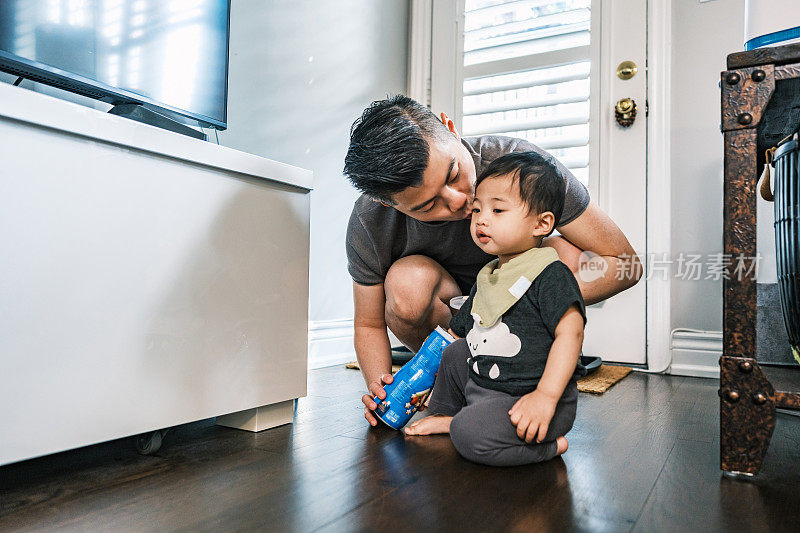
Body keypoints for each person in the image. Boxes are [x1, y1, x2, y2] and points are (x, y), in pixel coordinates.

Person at [343, 95, 641, 426]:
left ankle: (523, 381)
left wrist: (529, 299)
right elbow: (368, 323)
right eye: (428, 206)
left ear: (450, 129)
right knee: (406, 284)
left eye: (453, 173)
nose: (459, 201)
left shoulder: (523, 168)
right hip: (453, 319)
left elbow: (624, 264)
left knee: (564, 255)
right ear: (387, 204)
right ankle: (457, 386)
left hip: (522, 307)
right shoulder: (370, 222)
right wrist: (380, 388)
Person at [403, 151, 584, 466]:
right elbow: (453, 334)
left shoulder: (550, 274)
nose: (481, 219)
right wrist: (407, 384)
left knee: (468, 435)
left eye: (498, 210)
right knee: (454, 352)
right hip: (486, 384)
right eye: (477, 210)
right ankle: (448, 414)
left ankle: (549, 446)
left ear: (542, 224)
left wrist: (546, 397)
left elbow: (572, 334)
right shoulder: (489, 277)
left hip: (528, 402)